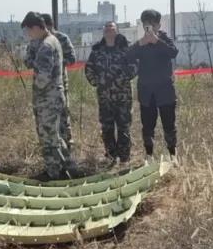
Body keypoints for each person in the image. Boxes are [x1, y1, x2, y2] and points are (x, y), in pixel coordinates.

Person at [22, 11, 74, 180]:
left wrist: (36, 91)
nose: (29, 35)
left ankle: (54, 173)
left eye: (29, 31)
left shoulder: (46, 46)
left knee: (49, 138)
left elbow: (42, 78)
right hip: (54, 96)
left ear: (36, 28)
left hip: (47, 99)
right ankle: (67, 167)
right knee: (55, 136)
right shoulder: (53, 40)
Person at [127, 9, 179, 162]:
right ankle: (149, 155)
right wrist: (140, 43)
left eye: (152, 24)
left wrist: (157, 41)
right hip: (147, 93)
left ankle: (173, 155)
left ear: (158, 25)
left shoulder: (164, 40)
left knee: (169, 125)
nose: (148, 28)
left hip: (165, 92)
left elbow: (173, 52)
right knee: (148, 127)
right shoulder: (140, 43)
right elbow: (127, 56)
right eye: (146, 25)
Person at [84, 22, 137, 165]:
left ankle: (124, 158)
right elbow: (89, 69)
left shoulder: (126, 48)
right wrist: (97, 82)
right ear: (103, 32)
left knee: (124, 127)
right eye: (106, 29)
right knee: (107, 128)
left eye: (111, 28)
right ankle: (111, 156)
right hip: (104, 97)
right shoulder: (97, 51)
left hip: (123, 96)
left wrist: (121, 79)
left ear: (117, 31)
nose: (109, 31)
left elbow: (134, 67)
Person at [39, 13, 75, 149]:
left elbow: (72, 59)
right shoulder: (37, 41)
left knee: (63, 115)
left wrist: (56, 63)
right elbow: (28, 60)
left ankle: (67, 146)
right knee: (47, 119)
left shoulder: (62, 38)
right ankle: (53, 147)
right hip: (42, 86)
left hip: (60, 83)